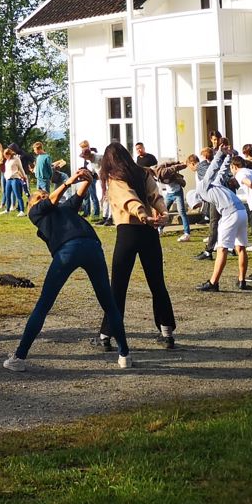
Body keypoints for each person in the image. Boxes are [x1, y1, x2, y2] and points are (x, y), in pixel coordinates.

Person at [5, 170, 132, 372]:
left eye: (42, 195)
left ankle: (19, 357)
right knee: (109, 304)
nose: (42, 197)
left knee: (44, 304)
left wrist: (86, 180)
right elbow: (55, 201)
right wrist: (71, 182)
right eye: (39, 196)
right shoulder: (38, 212)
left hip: (69, 250)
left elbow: (79, 195)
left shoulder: (53, 209)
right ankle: (124, 354)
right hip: (92, 247)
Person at [97, 141, 176, 350]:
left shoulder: (115, 178)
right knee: (157, 282)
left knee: (118, 286)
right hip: (149, 233)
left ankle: (106, 335)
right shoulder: (143, 172)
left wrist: (144, 215)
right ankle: (167, 332)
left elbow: (128, 199)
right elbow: (155, 195)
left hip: (128, 232)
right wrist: (162, 213)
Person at [191, 147, 251, 290]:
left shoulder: (202, 188)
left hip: (230, 213)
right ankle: (242, 281)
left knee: (222, 248)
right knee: (241, 247)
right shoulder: (216, 184)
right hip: (242, 210)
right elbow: (223, 171)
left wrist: (220, 153)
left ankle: (213, 283)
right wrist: (229, 157)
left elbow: (212, 169)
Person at [1, 147, 28, 216]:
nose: (5, 157)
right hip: (8, 180)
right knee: (7, 195)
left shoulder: (16, 159)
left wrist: (24, 176)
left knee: (18, 195)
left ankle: (22, 211)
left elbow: (21, 168)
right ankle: (7, 210)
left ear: (9, 154)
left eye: (6, 155)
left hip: (15, 179)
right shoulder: (7, 160)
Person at [77, 141, 101, 218]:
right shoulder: (85, 154)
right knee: (86, 195)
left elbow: (92, 169)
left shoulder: (90, 153)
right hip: (87, 175)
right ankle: (87, 211)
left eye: (82, 147)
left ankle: (96, 213)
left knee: (93, 195)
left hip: (91, 177)